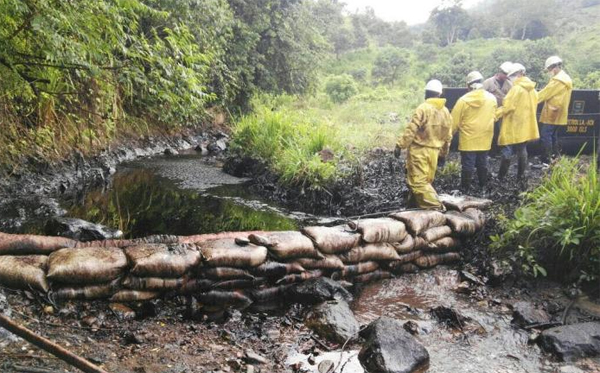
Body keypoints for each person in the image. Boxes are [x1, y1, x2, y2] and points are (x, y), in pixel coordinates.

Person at [395, 79, 453, 210]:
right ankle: (412, 208)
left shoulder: (423, 108)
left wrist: (400, 145)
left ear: (426, 93)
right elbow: (448, 137)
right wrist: (443, 154)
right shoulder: (445, 112)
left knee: (418, 183)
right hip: (434, 153)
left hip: (419, 151)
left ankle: (436, 208)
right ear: (439, 94)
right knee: (425, 181)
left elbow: (411, 129)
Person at [451, 71, 497, 192]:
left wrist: (448, 136)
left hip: (468, 140)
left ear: (468, 85)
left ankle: (465, 189)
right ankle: (483, 187)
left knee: (468, 165)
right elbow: (494, 116)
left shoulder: (463, 100)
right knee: (483, 163)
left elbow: (454, 122)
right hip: (485, 138)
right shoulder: (492, 99)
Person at [495, 63, 539, 184]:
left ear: (520, 73)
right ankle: (520, 176)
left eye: (513, 75)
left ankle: (501, 176)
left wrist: (494, 114)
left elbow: (507, 107)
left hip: (513, 124)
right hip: (525, 125)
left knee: (507, 149)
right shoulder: (533, 90)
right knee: (522, 150)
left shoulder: (516, 89)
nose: (512, 77)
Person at [537, 56, 573, 164]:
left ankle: (546, 158)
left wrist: (530, 100)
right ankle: (555, 156)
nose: (549, 72)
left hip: (553, 112)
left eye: (549, 69)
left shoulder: (558, 80)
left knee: (545, 135)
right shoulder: (565, 78)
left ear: (554, 67)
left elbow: (545, 93)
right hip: (559, 111)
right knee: (553, 135)